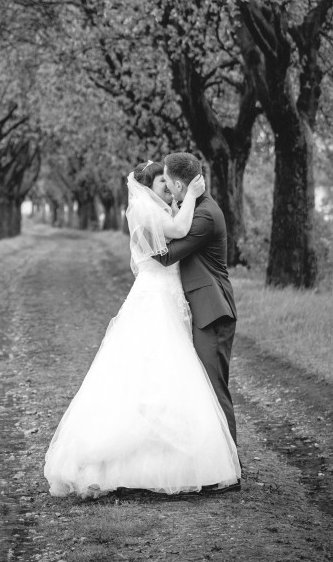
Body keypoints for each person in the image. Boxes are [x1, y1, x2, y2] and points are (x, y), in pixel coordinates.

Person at [43, 160, 240, 498]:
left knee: (180, 377)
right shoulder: (152, 213)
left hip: (173, 299)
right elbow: (172, 243)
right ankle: (197, 461)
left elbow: (178, 232)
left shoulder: (165, 211)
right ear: (149, 187)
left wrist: (183, 201)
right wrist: (189, 197)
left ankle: (215, 460)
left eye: (170, 181)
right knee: (156, 372)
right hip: (157, 297)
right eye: (163, 182)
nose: (168, 187)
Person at [155, 151, 238, 447]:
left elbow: (166, 255)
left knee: (215, 389)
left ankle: (231, 465)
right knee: (202, 388)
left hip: (213, 312)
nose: (165, 186)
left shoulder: (204, 215)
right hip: (203, 309)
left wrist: (141, 234)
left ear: (179, 186)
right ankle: (211, 458)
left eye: (167, 180)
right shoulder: (196, 207)